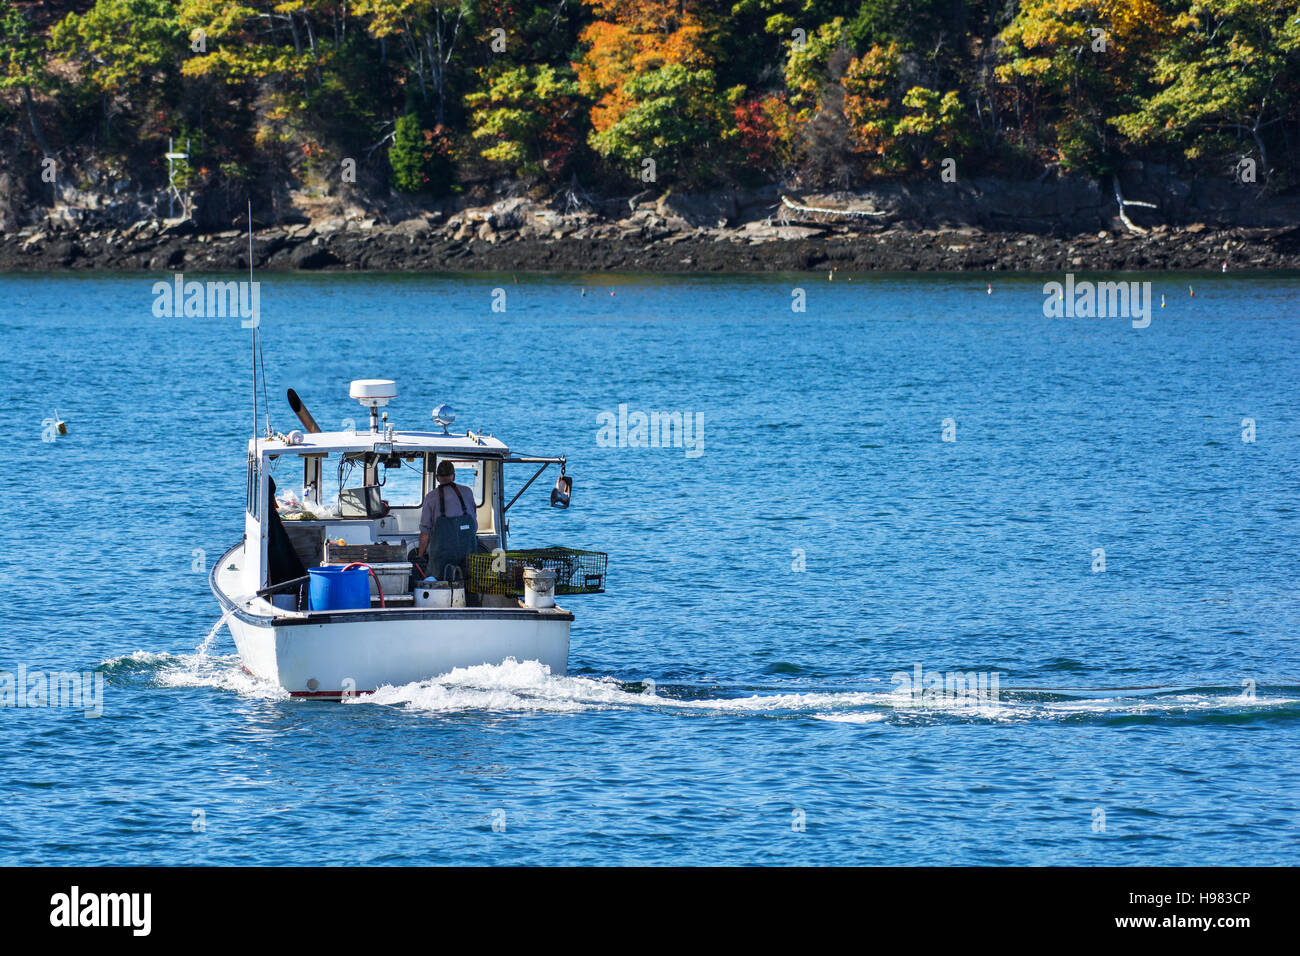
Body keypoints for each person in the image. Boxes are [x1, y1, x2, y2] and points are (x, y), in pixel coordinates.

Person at [414, 459, 478, 582]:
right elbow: (474, 524)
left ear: (437, 477)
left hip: (442, 554)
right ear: (453, 476)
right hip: (468, 551)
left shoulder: (431, 497)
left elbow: (425, 533)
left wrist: (420, 555)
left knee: (435, 580)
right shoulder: (467, 492)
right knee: (468, 580)